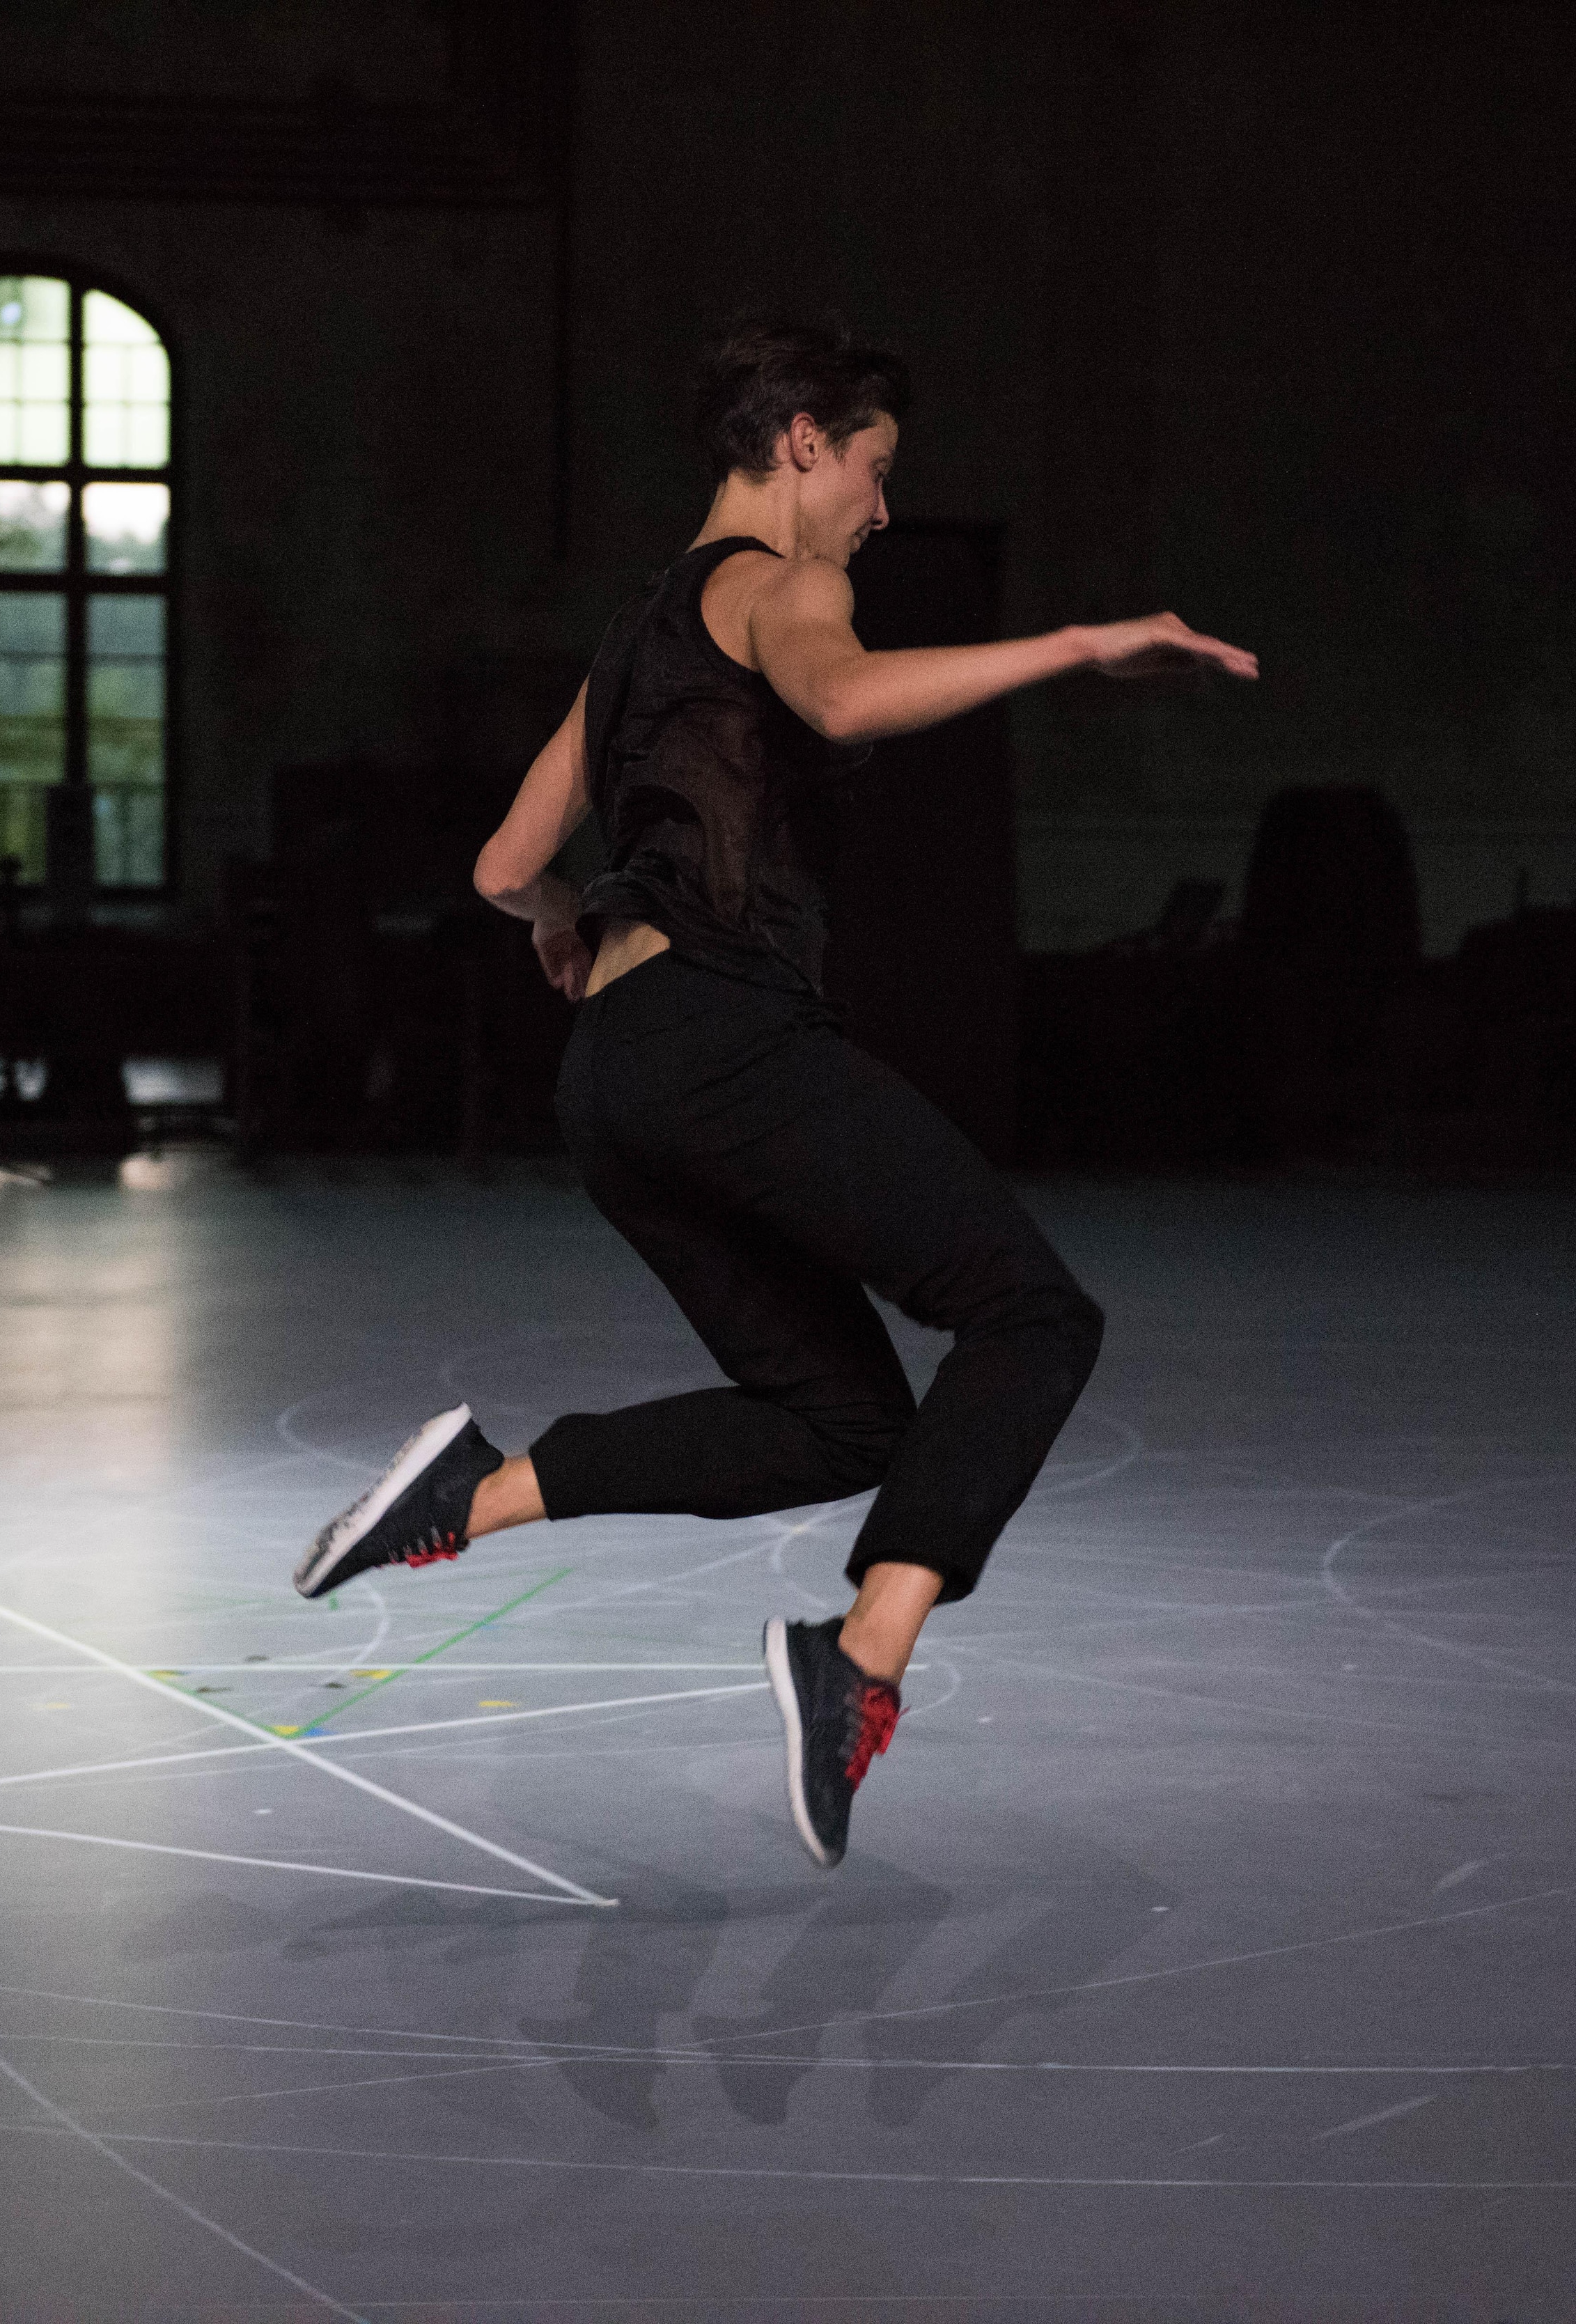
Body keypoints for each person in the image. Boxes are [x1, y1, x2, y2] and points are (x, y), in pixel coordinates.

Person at [295, 320, 1257, 1867]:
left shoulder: (628, 643)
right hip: (722, 1036)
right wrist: (1082, 647)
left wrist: (564, 925)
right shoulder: (791, 584)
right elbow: (844, 703)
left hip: (609, 1082)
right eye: (875, 469)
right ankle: (861, 1656)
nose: (880, 510)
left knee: (840, 1419)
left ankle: (470, 1495)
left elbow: (496, 867)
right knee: (1032, 1316)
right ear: (803, 440)